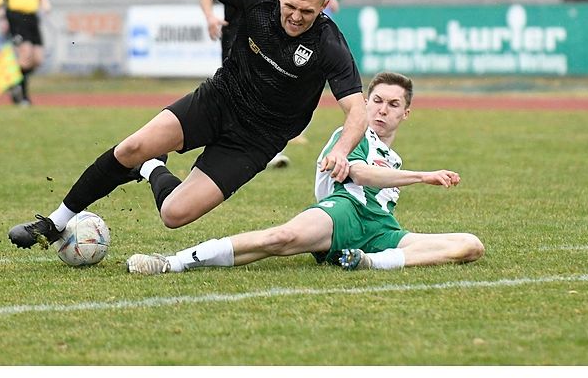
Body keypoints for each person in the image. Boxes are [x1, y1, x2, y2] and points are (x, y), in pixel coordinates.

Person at [7, 0, 367, 250]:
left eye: (307, 11)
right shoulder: (258, 1)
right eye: (290, 6)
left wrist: (341, 150)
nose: (295, 16)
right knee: (132, 146)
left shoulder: (329, 44)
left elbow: (357, 110)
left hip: (257, 140)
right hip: (220, 99)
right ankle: (55, 222)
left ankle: (150, 168)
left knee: (174, 214)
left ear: (324, 5)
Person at [126, 71, 484, 275]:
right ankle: (172, 262)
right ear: (365, 103)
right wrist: (422, 176)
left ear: (405, 114)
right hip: (342, 212)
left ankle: (369, 262)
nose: (382, 110)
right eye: (376, 101)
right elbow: (359, 174)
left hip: (380, 230)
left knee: (470, 245)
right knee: (278, 238)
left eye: (393, 105)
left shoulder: (394, 157)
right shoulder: (352, 135)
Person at [199, 0, 290, 167]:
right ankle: (225, 143)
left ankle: (266, 148)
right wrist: (210, 16)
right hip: (236, 36)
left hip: (268, 37)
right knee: (235, 91)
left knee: (268, 90)